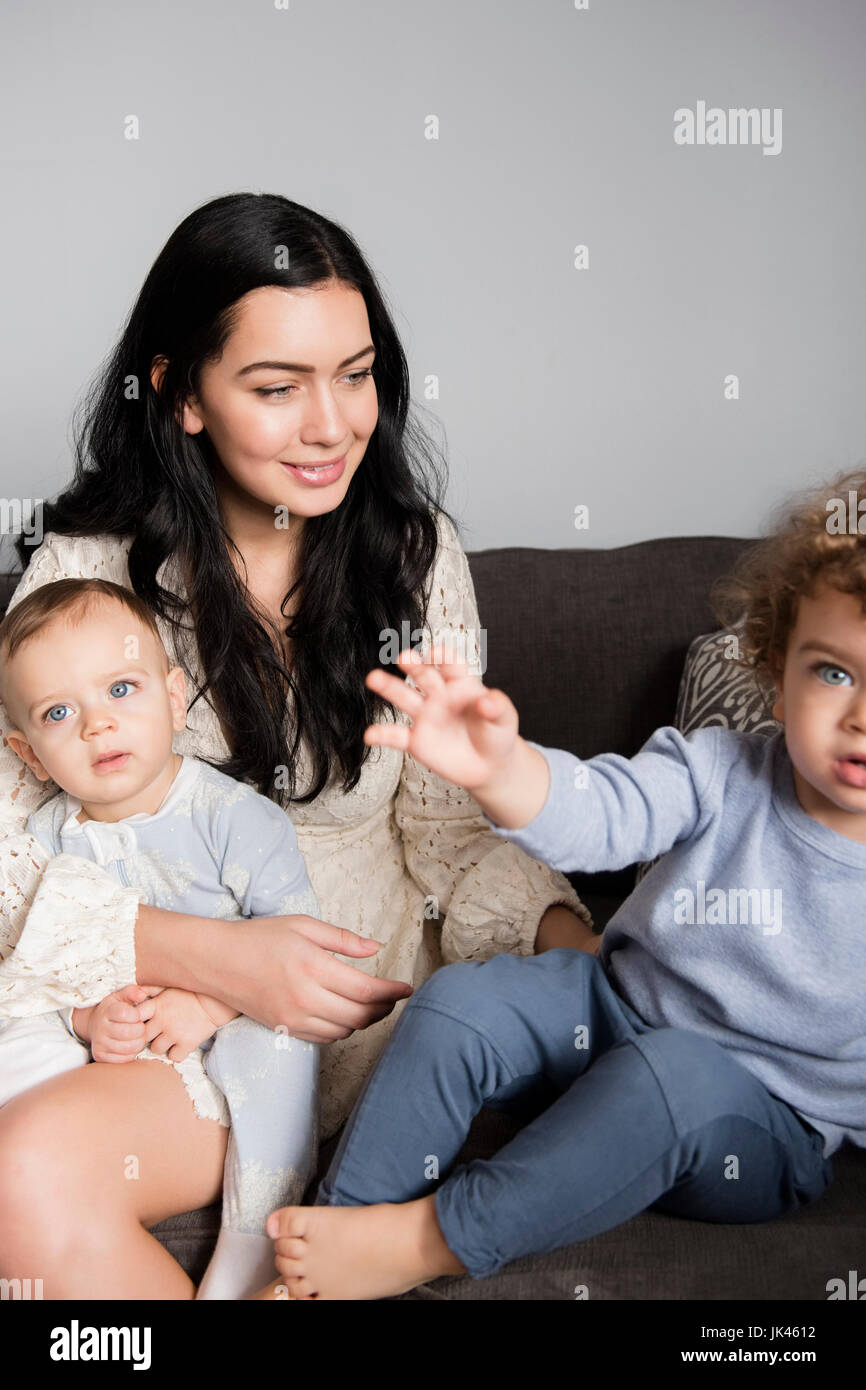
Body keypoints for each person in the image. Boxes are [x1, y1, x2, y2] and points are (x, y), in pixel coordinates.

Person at [0, 191, 593, 1298]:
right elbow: (6, 860)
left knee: (25, 1174)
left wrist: (579, 946)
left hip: (340, 1029)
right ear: (179, 395)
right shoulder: (84, 571)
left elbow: (446, 836)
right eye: (277, 388)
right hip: (135, 1028)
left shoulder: (414, 556)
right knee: (23, 1173)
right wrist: (212, 956)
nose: (333, 425)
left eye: (356, 374)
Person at [264, 469, 866, 1301]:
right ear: (775, 666)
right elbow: (604, 812)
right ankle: (328, 1260)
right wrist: (503, 770)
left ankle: (430, 1238)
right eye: (834, 672)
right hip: (610, 1008)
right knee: (456, 1005)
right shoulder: (721, 771)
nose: (859, 714)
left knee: (671, 1078)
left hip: (754, 1118)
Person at [0, 575, 325, 1300]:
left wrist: (214, 1006)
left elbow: (303, 950)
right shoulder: (49, 841)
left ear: (175, 698)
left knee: (273, 1055)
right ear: (27, 754)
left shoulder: (232, 819)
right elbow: (44, 973)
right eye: (60, 712)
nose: (97, 725)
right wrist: (87, 1017)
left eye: (121, 690)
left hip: (217, 1077)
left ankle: (255, 1238)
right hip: (110, 1079)